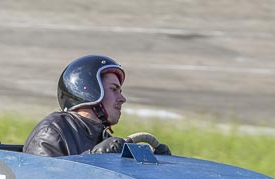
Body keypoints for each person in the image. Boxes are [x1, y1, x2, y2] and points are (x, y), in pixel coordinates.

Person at [23, 55, 170, 157]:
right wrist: (94, 157)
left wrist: (158, 165)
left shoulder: (103, 137)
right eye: (114, 90)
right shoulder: (52, 131)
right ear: (90, 91)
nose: (122, 99)